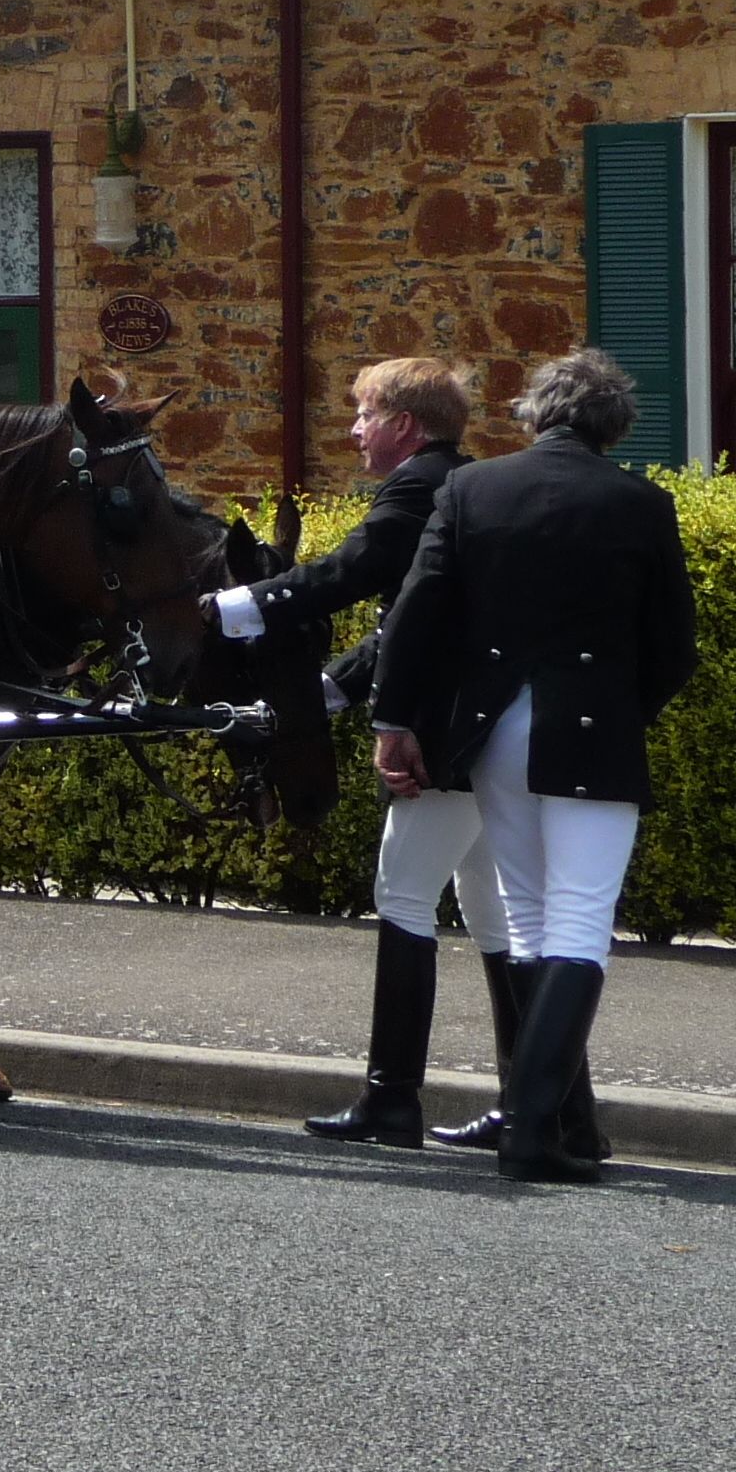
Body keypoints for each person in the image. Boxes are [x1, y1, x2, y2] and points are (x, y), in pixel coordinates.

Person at [371, 347, 698, 1185]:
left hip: (492, 730)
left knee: (526, 918)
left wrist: (394, 719)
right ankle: (529, 1130)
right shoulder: (642, 502)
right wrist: (627, 708)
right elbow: (674, 647)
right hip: (590, 726)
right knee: (580, 919)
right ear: (614, 425)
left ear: (536, 413)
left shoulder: (472, 488)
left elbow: (417, 612)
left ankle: (562, 1123)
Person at [204, 358, 498, 1148]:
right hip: (486, 733)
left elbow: (351, 573)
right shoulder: (467, 482)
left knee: (403, 897)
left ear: (404, 424)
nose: (354, 429)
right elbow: (405, 620)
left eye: (365, 414)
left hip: (441, 735)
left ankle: (392, 1099)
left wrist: (234, 607)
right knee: (493, 912)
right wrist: (329, 691)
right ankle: (538, 1102)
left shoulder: (417, 488)